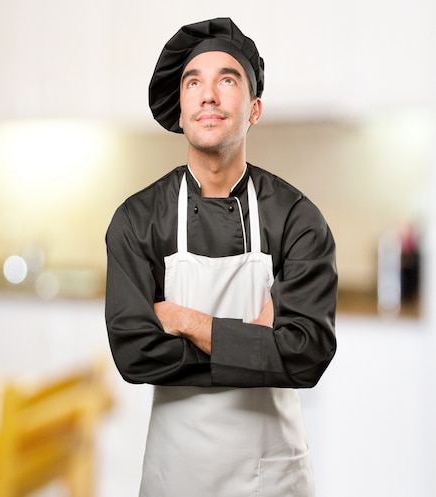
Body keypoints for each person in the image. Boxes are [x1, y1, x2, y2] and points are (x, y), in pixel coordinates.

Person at [104, 17, 337, 497]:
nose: (208, 95)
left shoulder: (297, 218)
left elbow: (307, 355)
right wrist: (259, 344)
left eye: (226, 79)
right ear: (182, 108)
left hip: (272, 477)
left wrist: (187, 321)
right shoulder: (137, 220)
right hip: (177, 475)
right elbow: (134, 354)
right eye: (194, 82)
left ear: (253, 109)